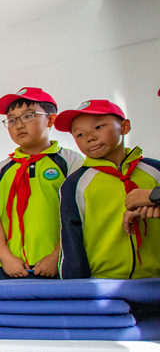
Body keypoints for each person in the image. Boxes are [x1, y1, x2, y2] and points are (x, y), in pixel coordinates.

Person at [0, 88, 82, 281]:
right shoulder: (1, 169)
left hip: (60, 264)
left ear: (51, 120)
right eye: (12, 120)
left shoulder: (71, 161)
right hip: (11, 267)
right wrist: (5, 257)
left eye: (28, 116)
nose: (19, 125)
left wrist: (57, 255)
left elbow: (80, 214)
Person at [58, 100, 160, 279]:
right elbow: (71, 238)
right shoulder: (74, 184)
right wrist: (77, 287)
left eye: (98, 127)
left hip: (155, 282)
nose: (90, 137)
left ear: (125, 126)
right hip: (102, 283)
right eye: (80, 134)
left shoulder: (155, 170)